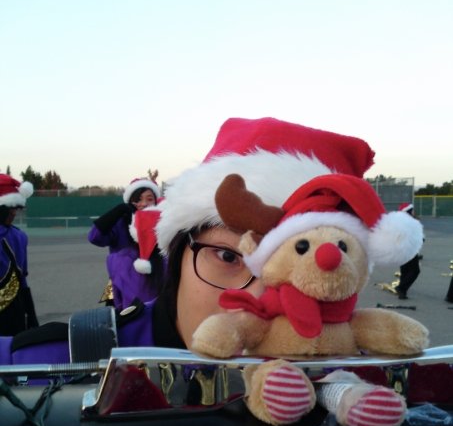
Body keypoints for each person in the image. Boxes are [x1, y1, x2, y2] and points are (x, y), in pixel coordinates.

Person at [1, 116, 378, 364]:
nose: (260, 301)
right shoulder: (59, 363)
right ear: (178, 254)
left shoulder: (373, 386)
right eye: (229, 257)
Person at [88, 177, 165, 310]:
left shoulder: (162, 224)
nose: (144, 204)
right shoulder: (120, 223)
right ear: (129, 202)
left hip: (153, 283)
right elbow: (94, 237)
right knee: (113, 315)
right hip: (118, 283)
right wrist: (119, 210)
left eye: (149, 199)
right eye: (138, 199)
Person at [0, 174, 39, 336]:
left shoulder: (19, 237)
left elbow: (22, 278)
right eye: (10, 208)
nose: (14, 213)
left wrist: (31, 314)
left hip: (13, 310)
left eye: (16, 208)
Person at [394, 202, 421, 300]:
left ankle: (402, 291)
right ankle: (401, 288)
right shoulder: (410, 222)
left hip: (401, 249)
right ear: (408, 211)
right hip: (409, 249)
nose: (414, 212)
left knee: (405, 270)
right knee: (415, 270)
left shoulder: (400, 222)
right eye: (412, 210)